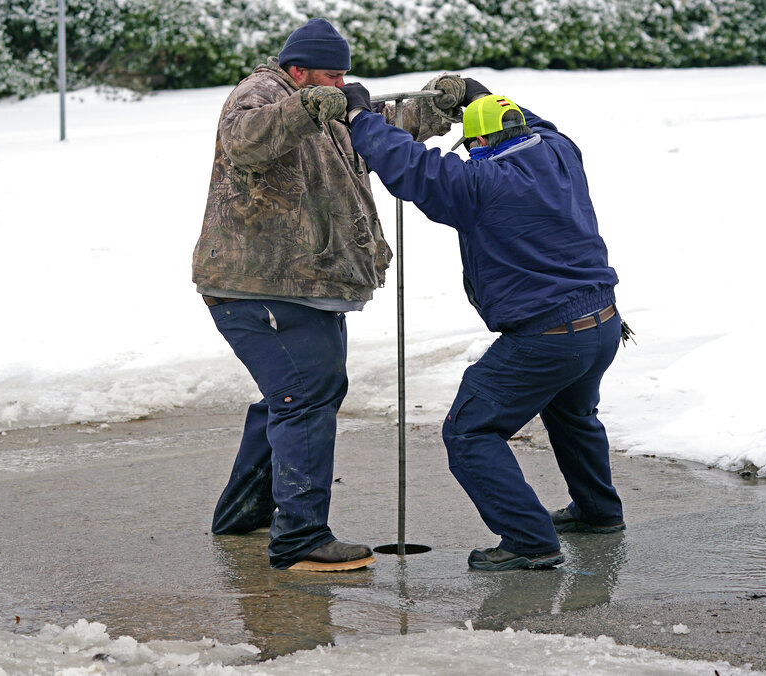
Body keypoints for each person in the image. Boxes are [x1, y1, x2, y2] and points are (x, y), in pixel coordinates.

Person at [191, 18, 462, 571]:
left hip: (305, 284)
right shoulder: (262, 93)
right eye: (330, 76)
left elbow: (380, 121)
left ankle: (244, 512)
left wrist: (436, 104)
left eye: (343, 76)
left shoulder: (324, 101)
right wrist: (306, 107)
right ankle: (300, 539)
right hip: (260, 286)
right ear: (297, 71)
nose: (340, 85)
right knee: (303, 397)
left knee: (297, 392)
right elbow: (247, 138)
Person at [341, 78, 627, 571]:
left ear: (477, 143)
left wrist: (360, 118)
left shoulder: (479, 184)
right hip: (601, 324)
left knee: (470, 431)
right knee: (573, 414)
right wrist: (477, 94)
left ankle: (528, 540)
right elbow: (537, 123)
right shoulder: (559, 152)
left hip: (547, 335)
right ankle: (599, 512)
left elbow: (414, 169)